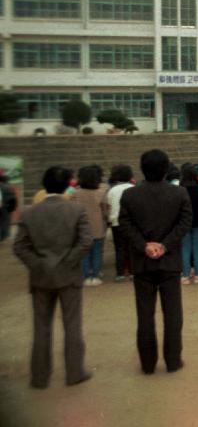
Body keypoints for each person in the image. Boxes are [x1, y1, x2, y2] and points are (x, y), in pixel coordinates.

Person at [14, 166, 93, 389]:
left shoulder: (29, 212)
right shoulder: (76, 210)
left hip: (40, 277)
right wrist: (67, 261)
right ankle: (74, 372)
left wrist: (38, 265)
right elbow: (85, 241)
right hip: (69, 275)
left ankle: (39, 376)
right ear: (68, 183)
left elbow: (20, 247)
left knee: (41, 328)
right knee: (72, 325)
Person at [119, 149, 192, 375]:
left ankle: (148, 363)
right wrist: (165, 245)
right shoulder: (179, 193)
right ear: (166, 168)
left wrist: (144, 245)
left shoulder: (130, 195)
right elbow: (185, 222)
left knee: (145, 315)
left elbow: (125, 223)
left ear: (142, 168)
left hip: (143, 262)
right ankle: (172, 360)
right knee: (173, 314)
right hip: (169, 261)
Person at [71, 165, 109, 286]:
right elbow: (105, 210)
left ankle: (87, 275)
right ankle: (96, 275)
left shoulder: (76, 194)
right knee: (97, 252)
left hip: (82, 228)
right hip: (98, 226)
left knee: (84, 253)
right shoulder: (100, 193)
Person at [106, 165, 135, 282]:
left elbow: (109, 206)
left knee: (119, 248)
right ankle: (133, 272)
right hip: (132, 222)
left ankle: (120, 273)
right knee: (131, 248)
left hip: (116, 222)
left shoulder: (112, 190)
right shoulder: (133, 188)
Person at [179, 166, 198, 285]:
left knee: (185, 249)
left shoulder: (180, 190)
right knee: (197, 249)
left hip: (184, 223)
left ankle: (185, 275)